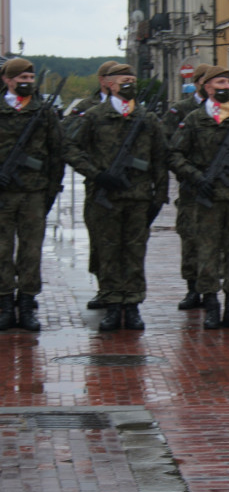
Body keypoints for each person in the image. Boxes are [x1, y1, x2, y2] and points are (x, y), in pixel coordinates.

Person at [64, 64, 168, 331]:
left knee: (134, 252)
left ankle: (132, 306)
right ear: (108, 84)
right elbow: (71, 148)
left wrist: (160, 196)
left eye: (133, 80)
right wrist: (97, 175)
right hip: (105, 196)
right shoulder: (95, 116)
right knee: (109, 251)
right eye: (123, 80)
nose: (129, 84)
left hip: (138, 196)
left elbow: (160, 158)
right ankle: (112, 305)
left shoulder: (147, 118)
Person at [169, 66, 229, 330]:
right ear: (207, 87)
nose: (225, 86)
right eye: (219, 82)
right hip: (207, 198)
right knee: (207, 253)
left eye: (228, 81)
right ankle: (212, 307)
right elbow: (175, 154)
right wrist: (196, 177)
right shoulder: (193, 119)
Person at [0, 58, 64, 332]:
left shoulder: (43, 112)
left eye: (30, 76)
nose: (27, 81)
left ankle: (26, 304)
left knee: (31, 250)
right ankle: (4, 304)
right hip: (3, 192)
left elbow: (56, 153)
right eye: (21, 77)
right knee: (2, 250)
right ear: (7, 80)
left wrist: (50, 190)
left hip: (33, 191)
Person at [66, 60, 118, 311]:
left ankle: (124, 293)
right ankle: (103, 288)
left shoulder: (132, 108)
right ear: (102, 81)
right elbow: (69, 141)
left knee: (125, 242)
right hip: (98, 185)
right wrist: (93, 170)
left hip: (127, 187)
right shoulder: (86, 108)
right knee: (99, 239)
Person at [163, 63, 210, 311]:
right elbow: (169, 148)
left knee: (214, 241)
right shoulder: (181, 110)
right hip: (191, 187)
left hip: (217, 188)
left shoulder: (227, 111)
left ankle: (211, 289)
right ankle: (192, 289)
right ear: (199, 82)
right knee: (190, 238)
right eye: (206, 80)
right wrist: (188, 173)